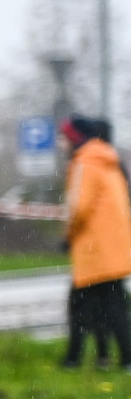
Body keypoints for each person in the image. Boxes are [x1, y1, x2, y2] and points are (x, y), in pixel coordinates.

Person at [62, 115, 131, 368]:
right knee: (114, 306)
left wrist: (67, 237)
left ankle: (73, 359)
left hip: (93, 249)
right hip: (113, 246)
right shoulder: (109, 161)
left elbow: (78, 207)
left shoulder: (86, 163)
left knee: (80, 306)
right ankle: (121, 360)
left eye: (64, 138)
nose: (62, 144)